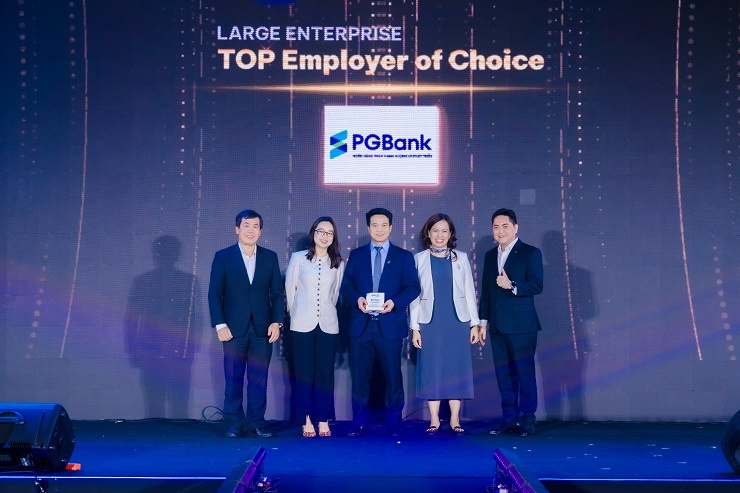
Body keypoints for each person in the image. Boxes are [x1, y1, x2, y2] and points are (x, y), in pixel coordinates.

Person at [341, 208, 421, 437]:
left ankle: (394, 424)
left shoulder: (403, 256)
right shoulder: (357, 255)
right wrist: (357, 300)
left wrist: (394, 303)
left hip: (390, 325)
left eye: (384, 225)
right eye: (375, 225)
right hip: (361, 325)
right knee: (360, 378)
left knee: (393, 377)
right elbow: (346, 286)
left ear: (391, 227)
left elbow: (413, 287)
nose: (379, 229)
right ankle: (359, 423)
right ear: (368, 228)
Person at [208, 209, 284, 438]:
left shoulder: (270, 257)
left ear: (260, 231)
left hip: (262, 329)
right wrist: (220, 325)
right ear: (237, 229)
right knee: (233, 378)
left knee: (258, 379)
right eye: (246, 225)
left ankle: (256, 422)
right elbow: (214, 294)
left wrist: (277, 322)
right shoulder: (223, 256)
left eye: (255, 226)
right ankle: (234, 422)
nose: (251, 230)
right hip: (233, 329)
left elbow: (277, 295)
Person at [409, 214, 480, 435]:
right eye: (435, 231)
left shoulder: (461, 258)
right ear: (428, 233)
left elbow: (469, 292)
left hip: (457, 321)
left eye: (444, 231)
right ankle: (434, 420)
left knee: (456, 368)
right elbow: (414, 296)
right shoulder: (418, 259)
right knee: (432, 370)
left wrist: (475, 323)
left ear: (450, 234)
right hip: (430, 321)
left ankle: (455, 419)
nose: (440, 235)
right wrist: (415, 328)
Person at [479, 208, 543, 437]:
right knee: (504, 375)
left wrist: (512, 285)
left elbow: (537, 285)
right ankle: (508, 420)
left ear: (515, 228)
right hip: (497, 325)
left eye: (505, 226)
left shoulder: (530, 253)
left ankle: (527, 419)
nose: (500, 231)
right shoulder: (489, 255)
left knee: (524, 373)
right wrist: (482, 322)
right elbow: (486, 291)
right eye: (496, 227)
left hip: (522, 325)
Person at [124, 235, 201, 419]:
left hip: (173, 348)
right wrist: (133, 348)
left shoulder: (187, 281)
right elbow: (132, 318)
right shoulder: (145, 281)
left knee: (173, 402)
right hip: (153, 349)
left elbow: (196, 318)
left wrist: (193, 346)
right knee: (159, 402)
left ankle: (169, 433)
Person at [285, 216, 345, 438]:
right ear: (314, 233)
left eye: (329, 233)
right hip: (302, 323)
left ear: (333, 237)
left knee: (324, 374)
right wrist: (296, 314)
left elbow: (335, 294)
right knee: (304, 373)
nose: (325, 236)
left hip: (328, 325)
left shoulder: (338, 263)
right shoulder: (299, 258)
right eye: (321, 231)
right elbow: (290, 290)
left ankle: (323, 418)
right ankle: (306, 418)